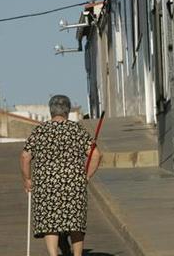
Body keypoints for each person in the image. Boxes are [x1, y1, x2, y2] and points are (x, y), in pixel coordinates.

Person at [21, 95, 102, 256]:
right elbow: (96, 155)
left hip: (46, 185)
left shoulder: (40, 131)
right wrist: (86, 176)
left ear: (51, 111)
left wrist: (27, 180)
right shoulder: (76, 130)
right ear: (67, 111)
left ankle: (53, 254)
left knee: (50, 222)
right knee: (75, 222)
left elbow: (25, 157)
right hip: (74, 184)